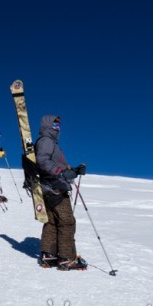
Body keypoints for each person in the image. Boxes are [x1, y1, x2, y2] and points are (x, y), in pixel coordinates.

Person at [35, 115, 87, 271]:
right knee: (67, 221)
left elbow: (55, 165)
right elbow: (42, 161)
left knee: (52, 221)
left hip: (48, 187)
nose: (58, 128)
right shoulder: (46, 141)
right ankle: (67, 258)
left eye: (59, 126)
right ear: (48, 126)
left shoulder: (49, 143)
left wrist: (74, 171)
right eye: (55, 125)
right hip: (55, 187)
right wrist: (61, 173)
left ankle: (49, 255)